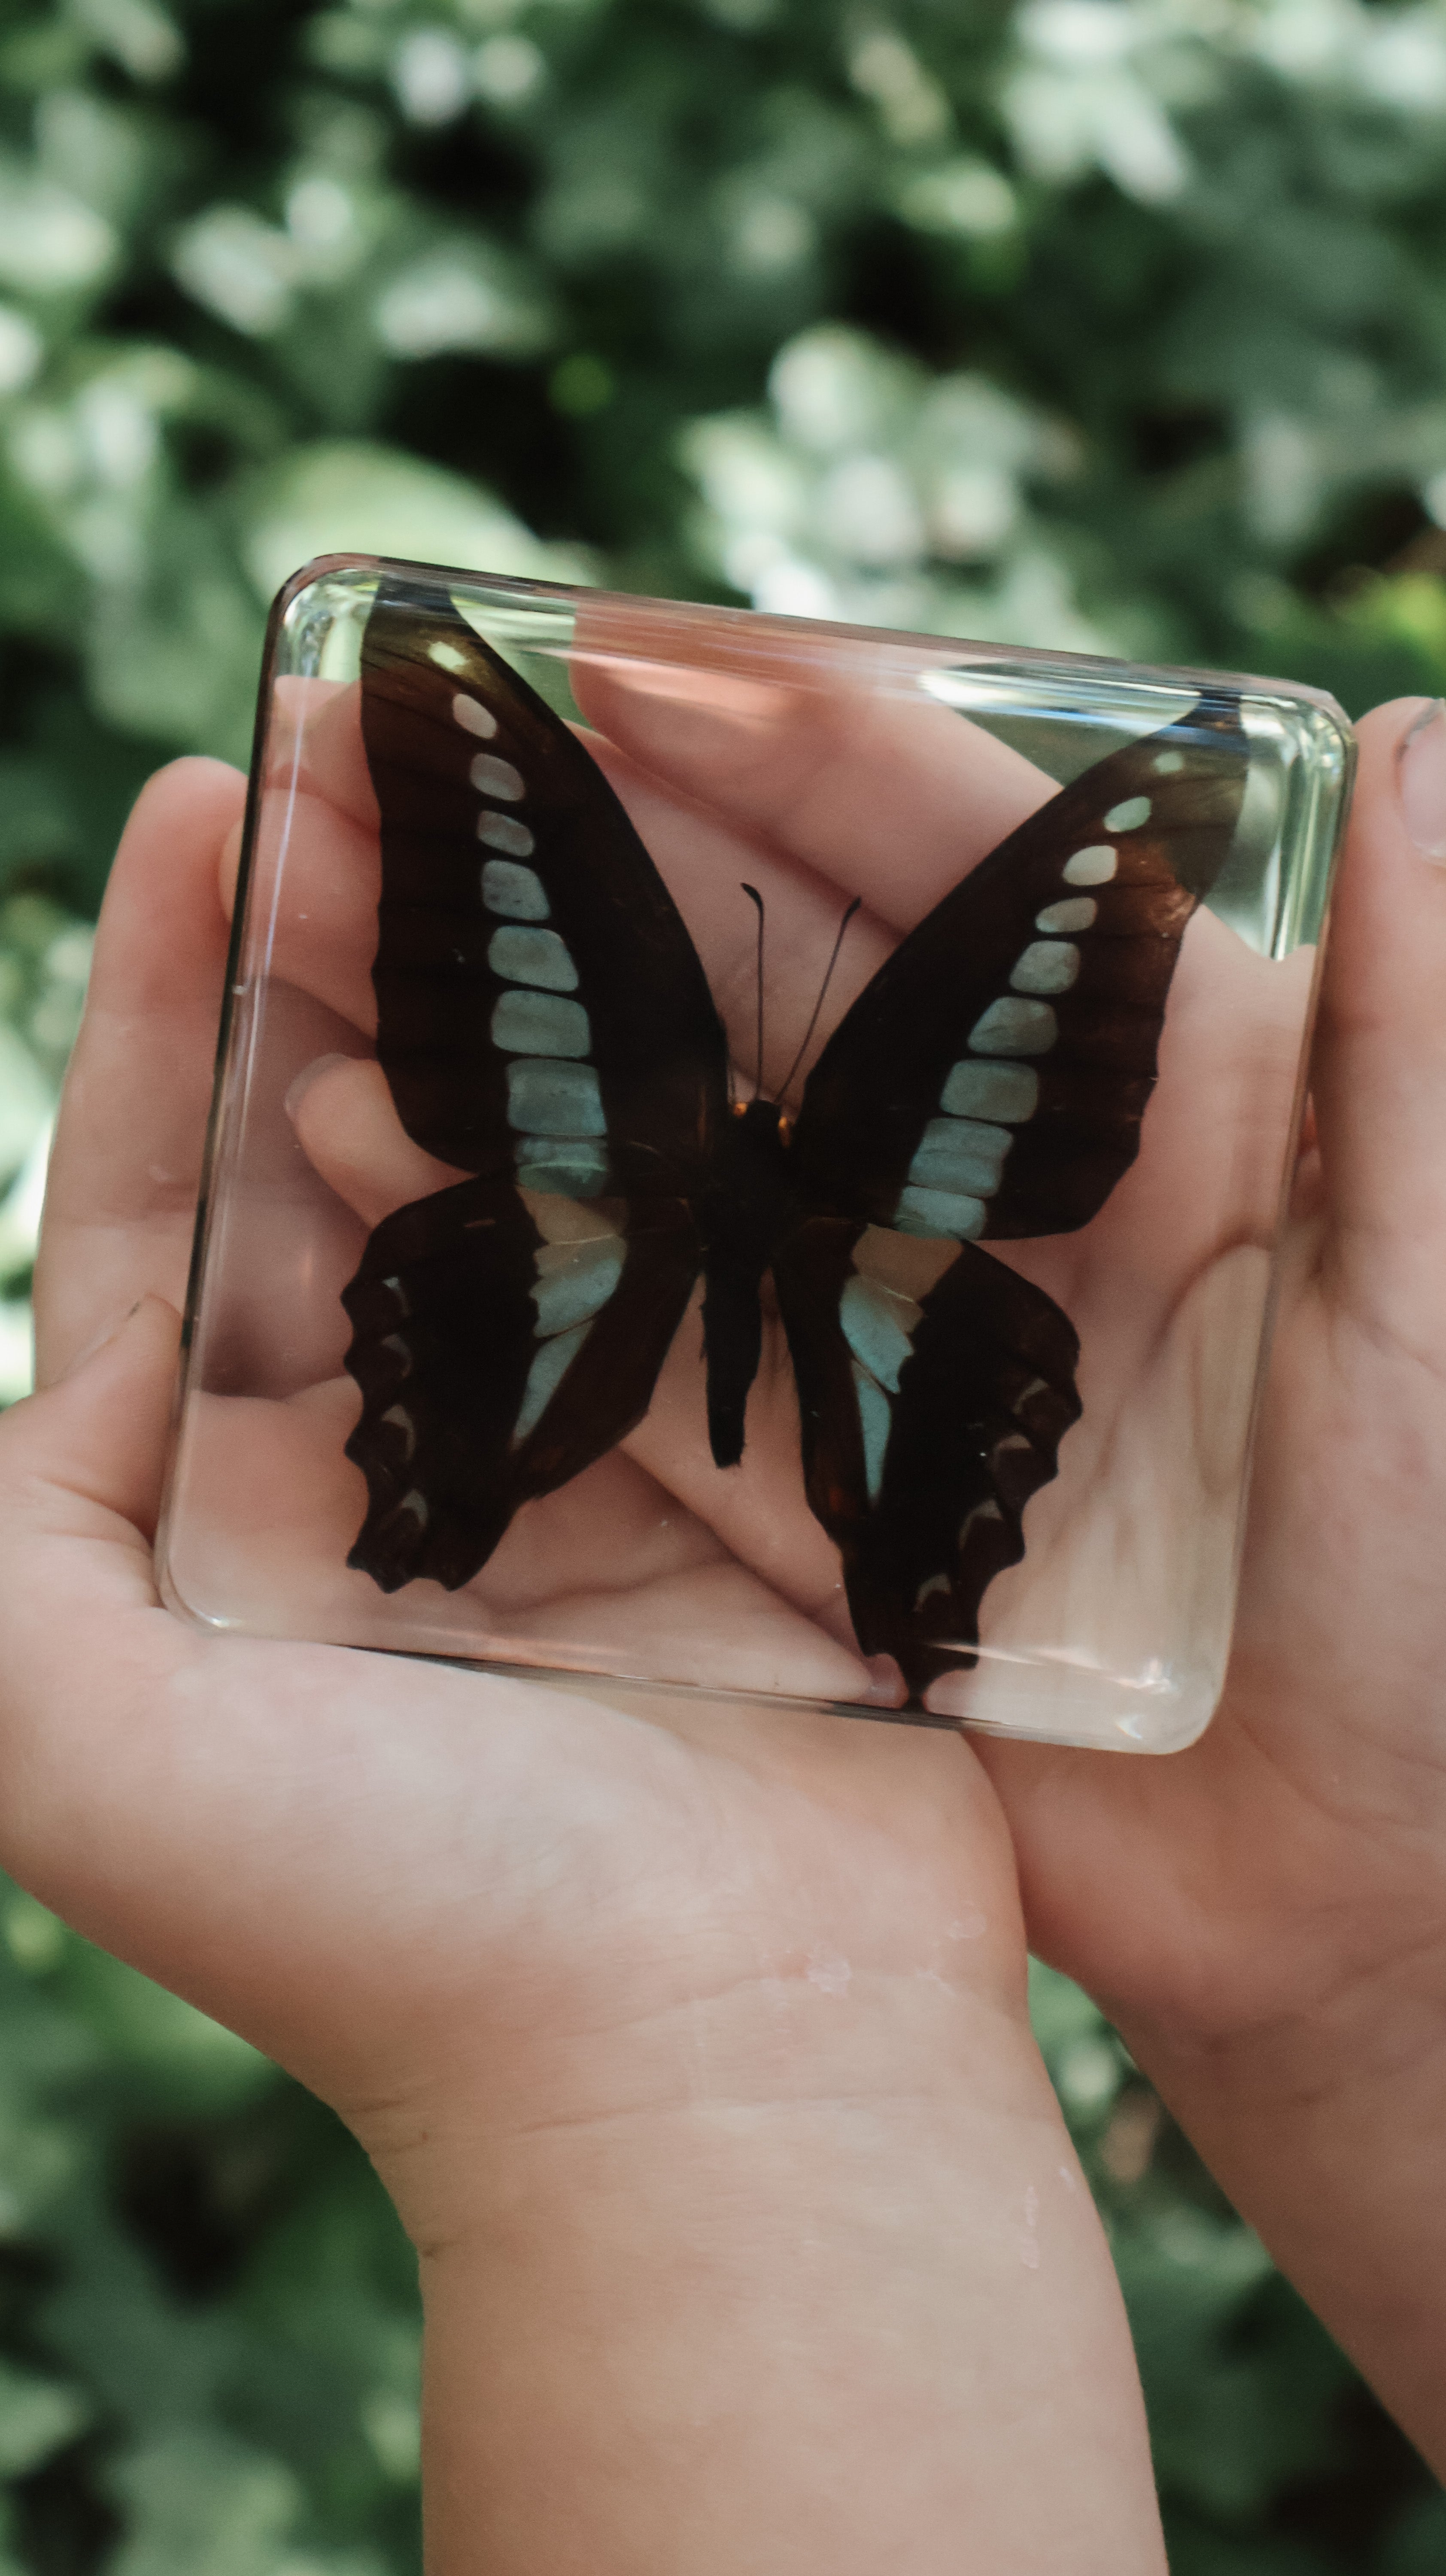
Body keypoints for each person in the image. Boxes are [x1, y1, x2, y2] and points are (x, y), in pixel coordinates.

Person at [1, 644, 1443, 2569]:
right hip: (883, 1309)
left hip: (604, 1252)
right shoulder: (902, 1120)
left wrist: (1386, 1981)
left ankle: (567, 1490)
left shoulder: (627, 1085)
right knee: (884, 1373)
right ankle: (874, 1555)